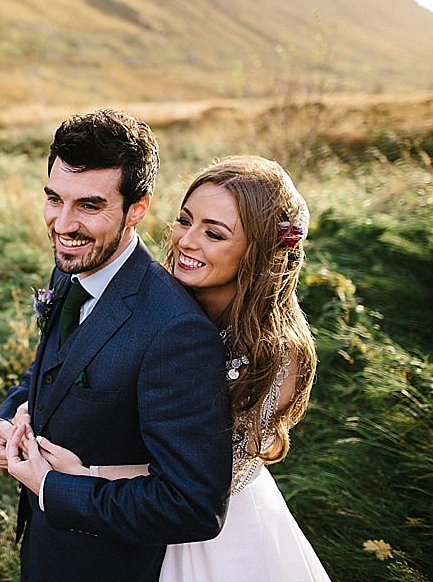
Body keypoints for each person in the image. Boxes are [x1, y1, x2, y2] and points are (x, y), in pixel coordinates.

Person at [18, 155, 331, 581]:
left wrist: (90, 475)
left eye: (214, 234)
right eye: (186, 221)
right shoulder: (156, 300)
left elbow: (220, 475)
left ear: (258, 250)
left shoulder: (275, 353)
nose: (186, 241)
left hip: (214, 541)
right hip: (125, 521)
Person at [0, 109, 232, 582]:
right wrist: (6, 417)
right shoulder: (71, 267)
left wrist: (52, 487)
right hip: (46, 551)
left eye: (89, 206)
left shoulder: (176, 332)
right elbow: (47, 372)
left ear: (137, 208)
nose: (63, 223)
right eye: (55, 199)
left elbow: (192, 505)